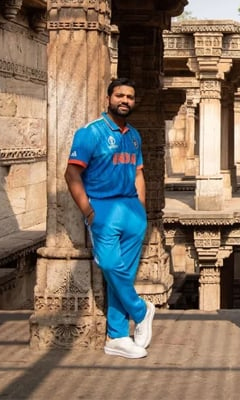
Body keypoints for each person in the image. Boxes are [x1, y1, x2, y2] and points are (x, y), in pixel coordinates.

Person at [65, 77, 155, 359]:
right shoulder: (91, 133)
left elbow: (139, 173)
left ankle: (116, 337)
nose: (124, 100)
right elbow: (71, 174)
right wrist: (88, 212)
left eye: (129, 96)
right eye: (119, 95)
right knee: (108, 263)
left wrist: (141, 209)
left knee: (124, 273)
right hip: (102, 209)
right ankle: (141, 310)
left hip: (131, 212)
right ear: (108, 99)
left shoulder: (134, 135)